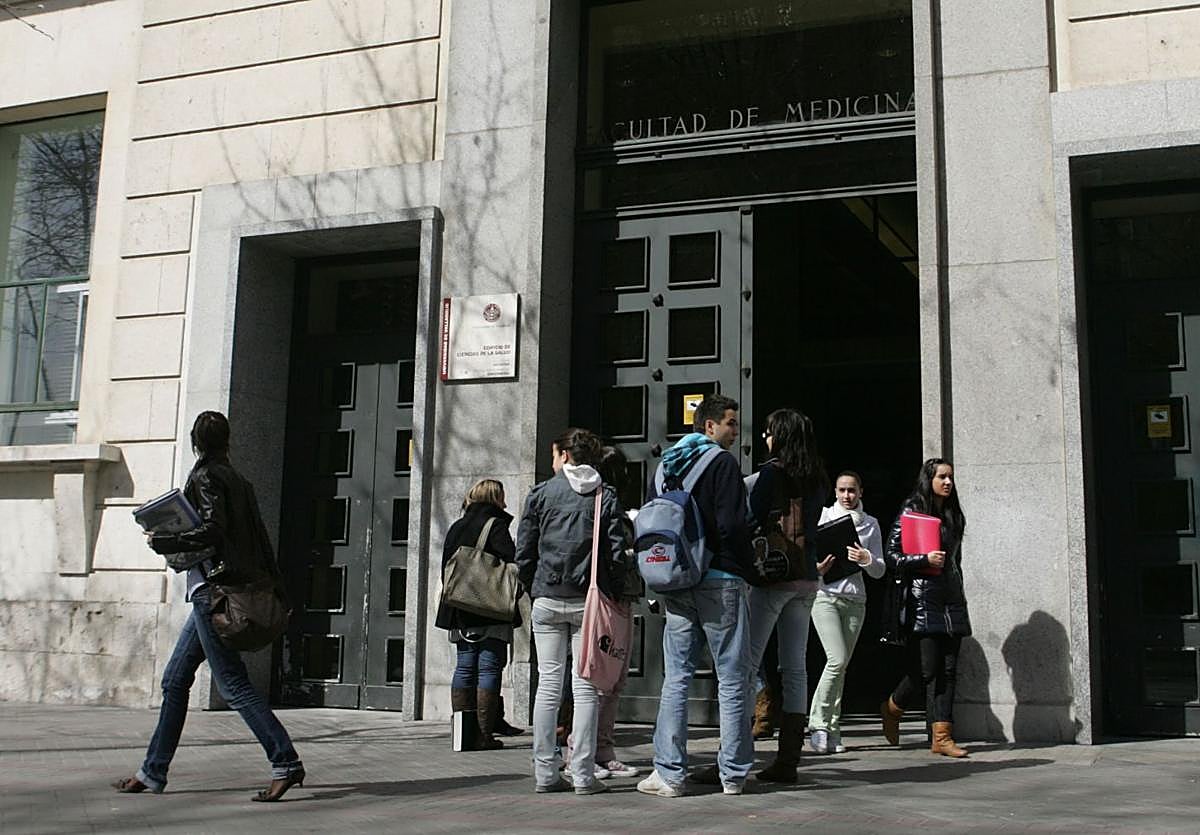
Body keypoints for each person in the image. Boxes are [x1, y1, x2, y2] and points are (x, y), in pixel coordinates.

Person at [112, 411, 305, 801]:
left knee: (233, 685)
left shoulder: (206, 476)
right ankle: (152, 771)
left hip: (212, 593)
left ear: (195, 441)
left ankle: (285, 762)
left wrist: (168, 541)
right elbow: (256, 537)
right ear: (227, 440)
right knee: (175, 682)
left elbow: (214, 530)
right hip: (214, 590)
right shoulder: (239, 479)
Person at [637, 395, 756, 798]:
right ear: (708, 426)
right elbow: (732, 525)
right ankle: (734, 774)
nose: (735, 431)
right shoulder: (722, 464)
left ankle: (669, 774)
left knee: (677, 677)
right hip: (720, 580)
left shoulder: (665, 467)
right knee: (733, 677)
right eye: (730, 423)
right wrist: (747, 565)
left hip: (677, 580)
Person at [516, 428, 628, 795]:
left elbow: (525, 550)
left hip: (546, 598)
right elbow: (614, 554)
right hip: (588, 602)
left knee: (548, 684)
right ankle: (583, 774)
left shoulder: (541, 494)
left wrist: (533, 586)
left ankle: (545, 772)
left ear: (564, 454)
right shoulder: (604, 495)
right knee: (586, 688)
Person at [742, 408, 829, 784]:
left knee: (746, 664)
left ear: (781, 436)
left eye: (768, 432)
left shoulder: (771, 474)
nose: (765, 438)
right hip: (807, 579)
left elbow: (750, 518)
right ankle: (788, 761)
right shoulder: (819, 476)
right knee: (795, 667)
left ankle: (735, 755)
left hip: (774, 576)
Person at [880, 458, 971, 758]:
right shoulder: (913, 509)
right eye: (942, 477)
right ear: (929, 479)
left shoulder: (953, 513)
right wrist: (922, 560)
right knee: (926, 668)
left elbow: (955, 560)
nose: (948, 482)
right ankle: (893, 706)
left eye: (951, 477)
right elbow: (892, 556)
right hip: (922, 598)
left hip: (951, 596)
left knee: (949, 669)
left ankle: (942, 736)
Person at [565, 445, 640, 780]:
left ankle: (602, 749)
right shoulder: (599, 503)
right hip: (603, 599)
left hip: (618, 598)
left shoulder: (613, 505)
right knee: (597, 677)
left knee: (613, 677)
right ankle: (582, 751)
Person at [435, 479, 521, 750]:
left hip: (459, 609)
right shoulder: (495, 527)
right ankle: (484, 735)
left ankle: (463, 735)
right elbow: (511, 562)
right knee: (489, 667)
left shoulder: (456, 526)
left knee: (464, 666)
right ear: (495, 498)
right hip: (490, 607)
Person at [809, 471, 885, 754]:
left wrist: (866, 559)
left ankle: (832, 730)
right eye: (841, 490)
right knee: (836, 659)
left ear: (861, 492)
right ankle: (818, 724)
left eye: (852, 490)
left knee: (840, 667)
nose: (846, 496)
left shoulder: (871, 524)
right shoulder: (823, 518)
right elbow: (808, 557)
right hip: (825, 597)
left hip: (856, 601)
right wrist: (816, 569)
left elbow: (879, 570)